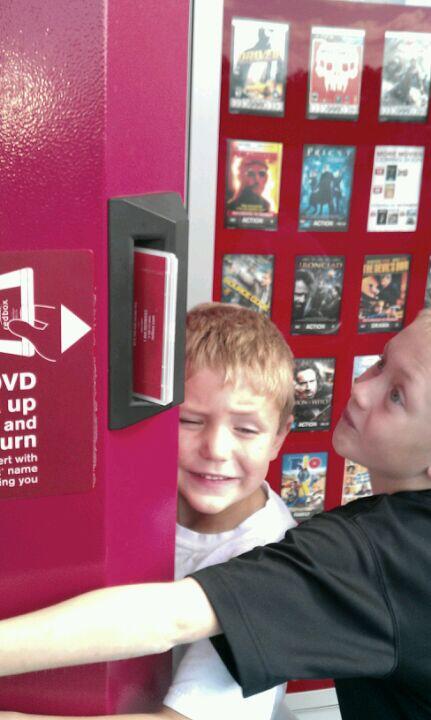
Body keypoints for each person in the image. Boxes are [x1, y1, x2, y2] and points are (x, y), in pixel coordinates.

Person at [1, 310, 431, 719]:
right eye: (380, 363)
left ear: (278, 436)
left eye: (398, 394)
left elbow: (169, 619)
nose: (359, 388)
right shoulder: (138, 495)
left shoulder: (361, 553)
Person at [0, 302, 297, 720]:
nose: (216, 449)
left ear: (279, 437)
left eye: (246, 429)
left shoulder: (272, 560)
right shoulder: (137, 497)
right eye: (190, 421)